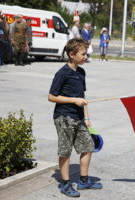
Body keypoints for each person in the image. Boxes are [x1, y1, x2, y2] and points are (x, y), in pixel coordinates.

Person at [48, 38, 103, 198]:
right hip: (64, 117)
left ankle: (84, 180)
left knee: (88, 147)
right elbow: (51, 96)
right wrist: (73, 100)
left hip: (79, 117)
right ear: (72, 55)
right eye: (83, 54)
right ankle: (65, 184)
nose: (86, 56)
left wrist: (86, 117)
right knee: (65, 151)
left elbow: (82, 96)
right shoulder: (62, 73)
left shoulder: (81, 72)